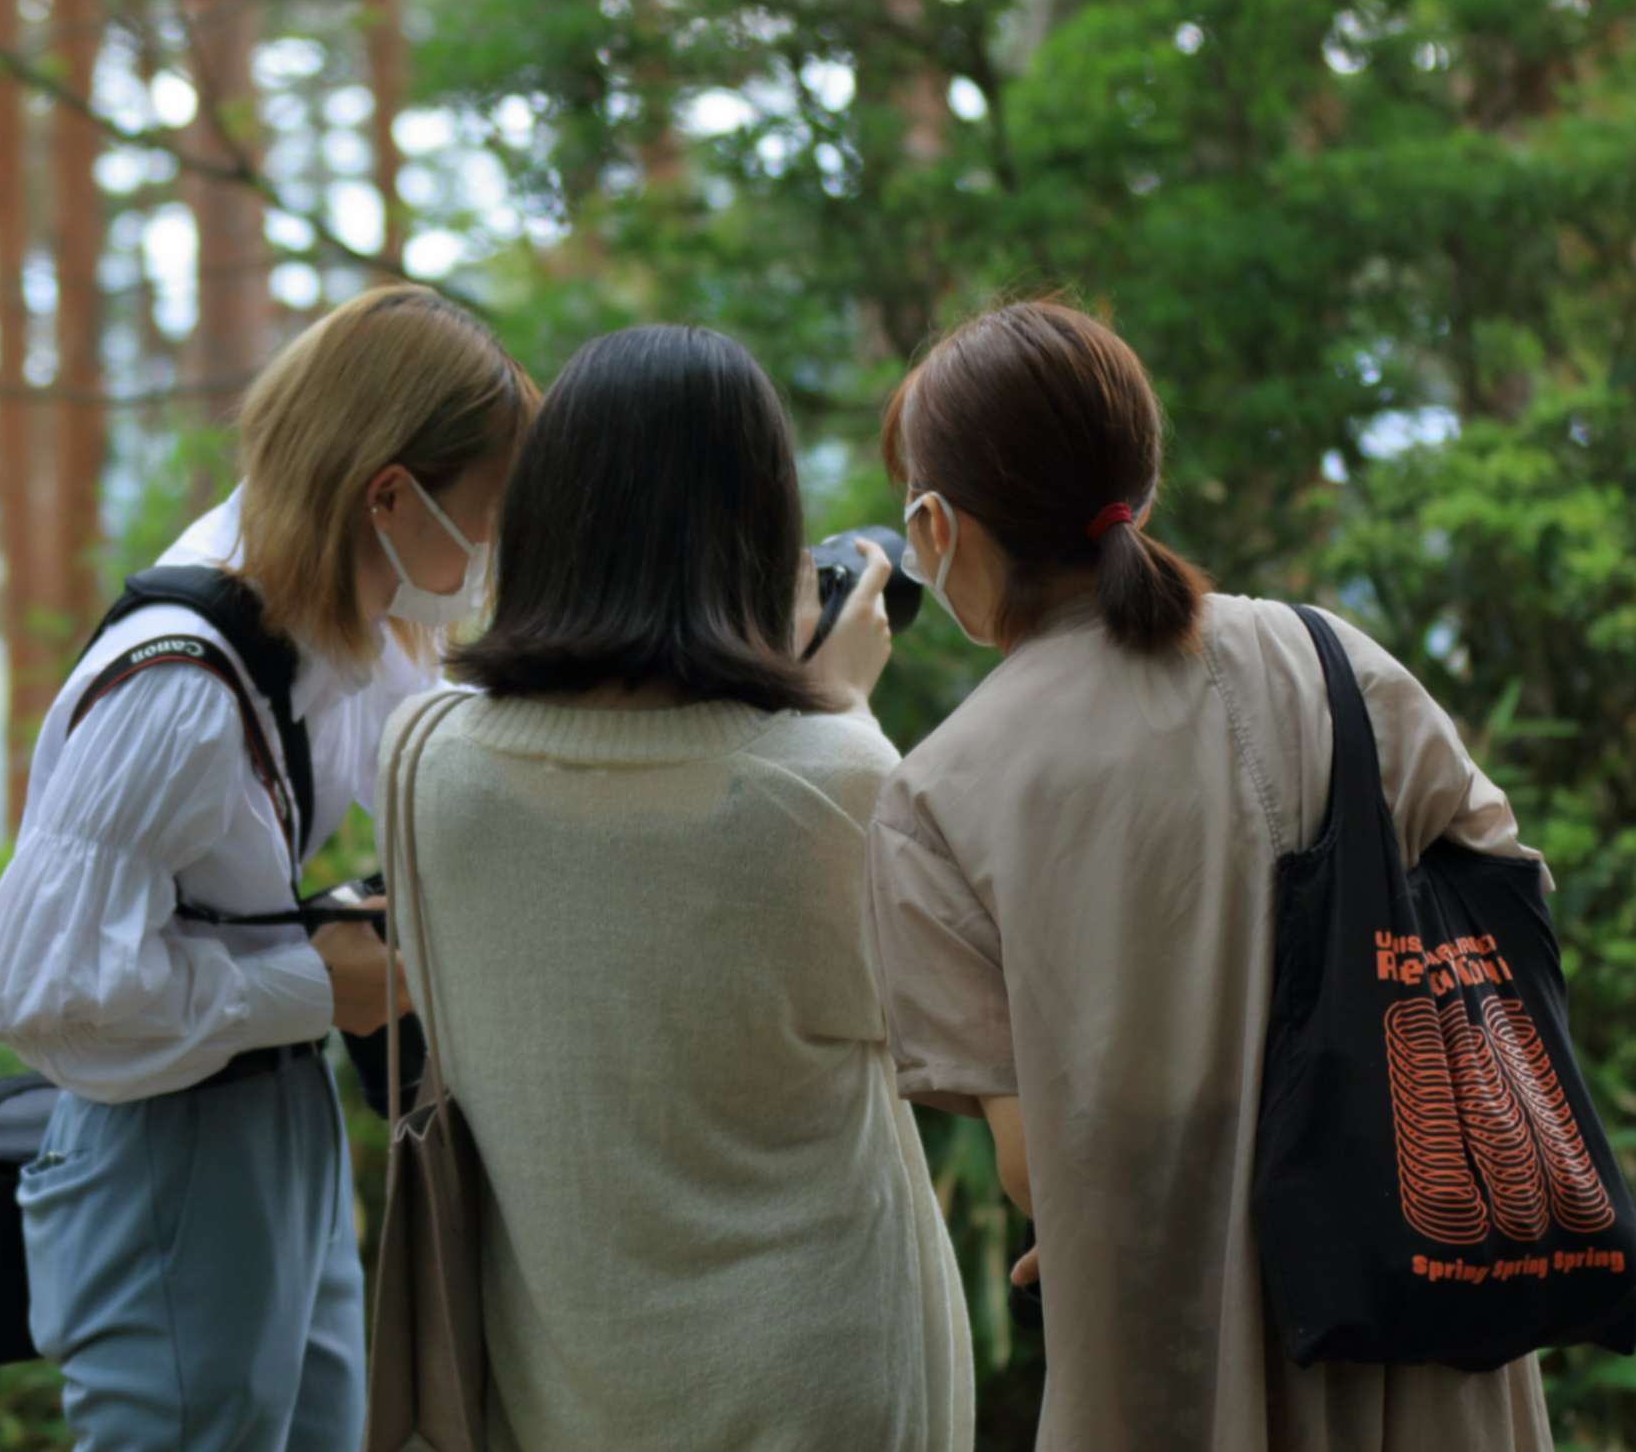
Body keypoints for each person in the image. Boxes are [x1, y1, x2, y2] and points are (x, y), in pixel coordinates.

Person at [864, 299, 1556, 1450]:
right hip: (1429, 1299)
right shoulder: (1334, 659)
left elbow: (1041, 1159)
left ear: (937, 528)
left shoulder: (934, 794)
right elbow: (1498, 892)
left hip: (1175, 1335)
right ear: (1138, 479)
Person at [0, 285, 539, 1452]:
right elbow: (28, 987)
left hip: (273, 1114)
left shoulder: (345, 614)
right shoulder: (180, 688)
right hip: (161, 1146)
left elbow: (448, 774)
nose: (487, 551)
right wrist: (317, 985)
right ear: (390, 492)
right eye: (484, 513)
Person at [376, 325, 974, 1452]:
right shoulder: (835, 778)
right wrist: (835, 709)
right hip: (816, 1378)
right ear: (757, 528)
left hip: (550, 1379)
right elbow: (935, 1031)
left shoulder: (422, 757)